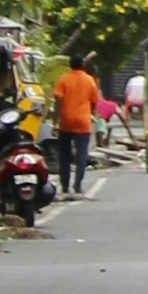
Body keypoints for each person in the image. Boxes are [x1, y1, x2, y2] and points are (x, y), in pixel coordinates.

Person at [48, 50, 101, 201]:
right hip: (83, 121)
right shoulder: (89, 80)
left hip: (66, 121)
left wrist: (55, 120)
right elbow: (94, 101)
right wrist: (91, 114)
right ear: (82, 65)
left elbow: (58, 100)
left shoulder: (63, 79)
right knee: (81, 154)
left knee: (64, 155)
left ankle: (65, 185)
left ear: (70, 65)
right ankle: (78, 184)